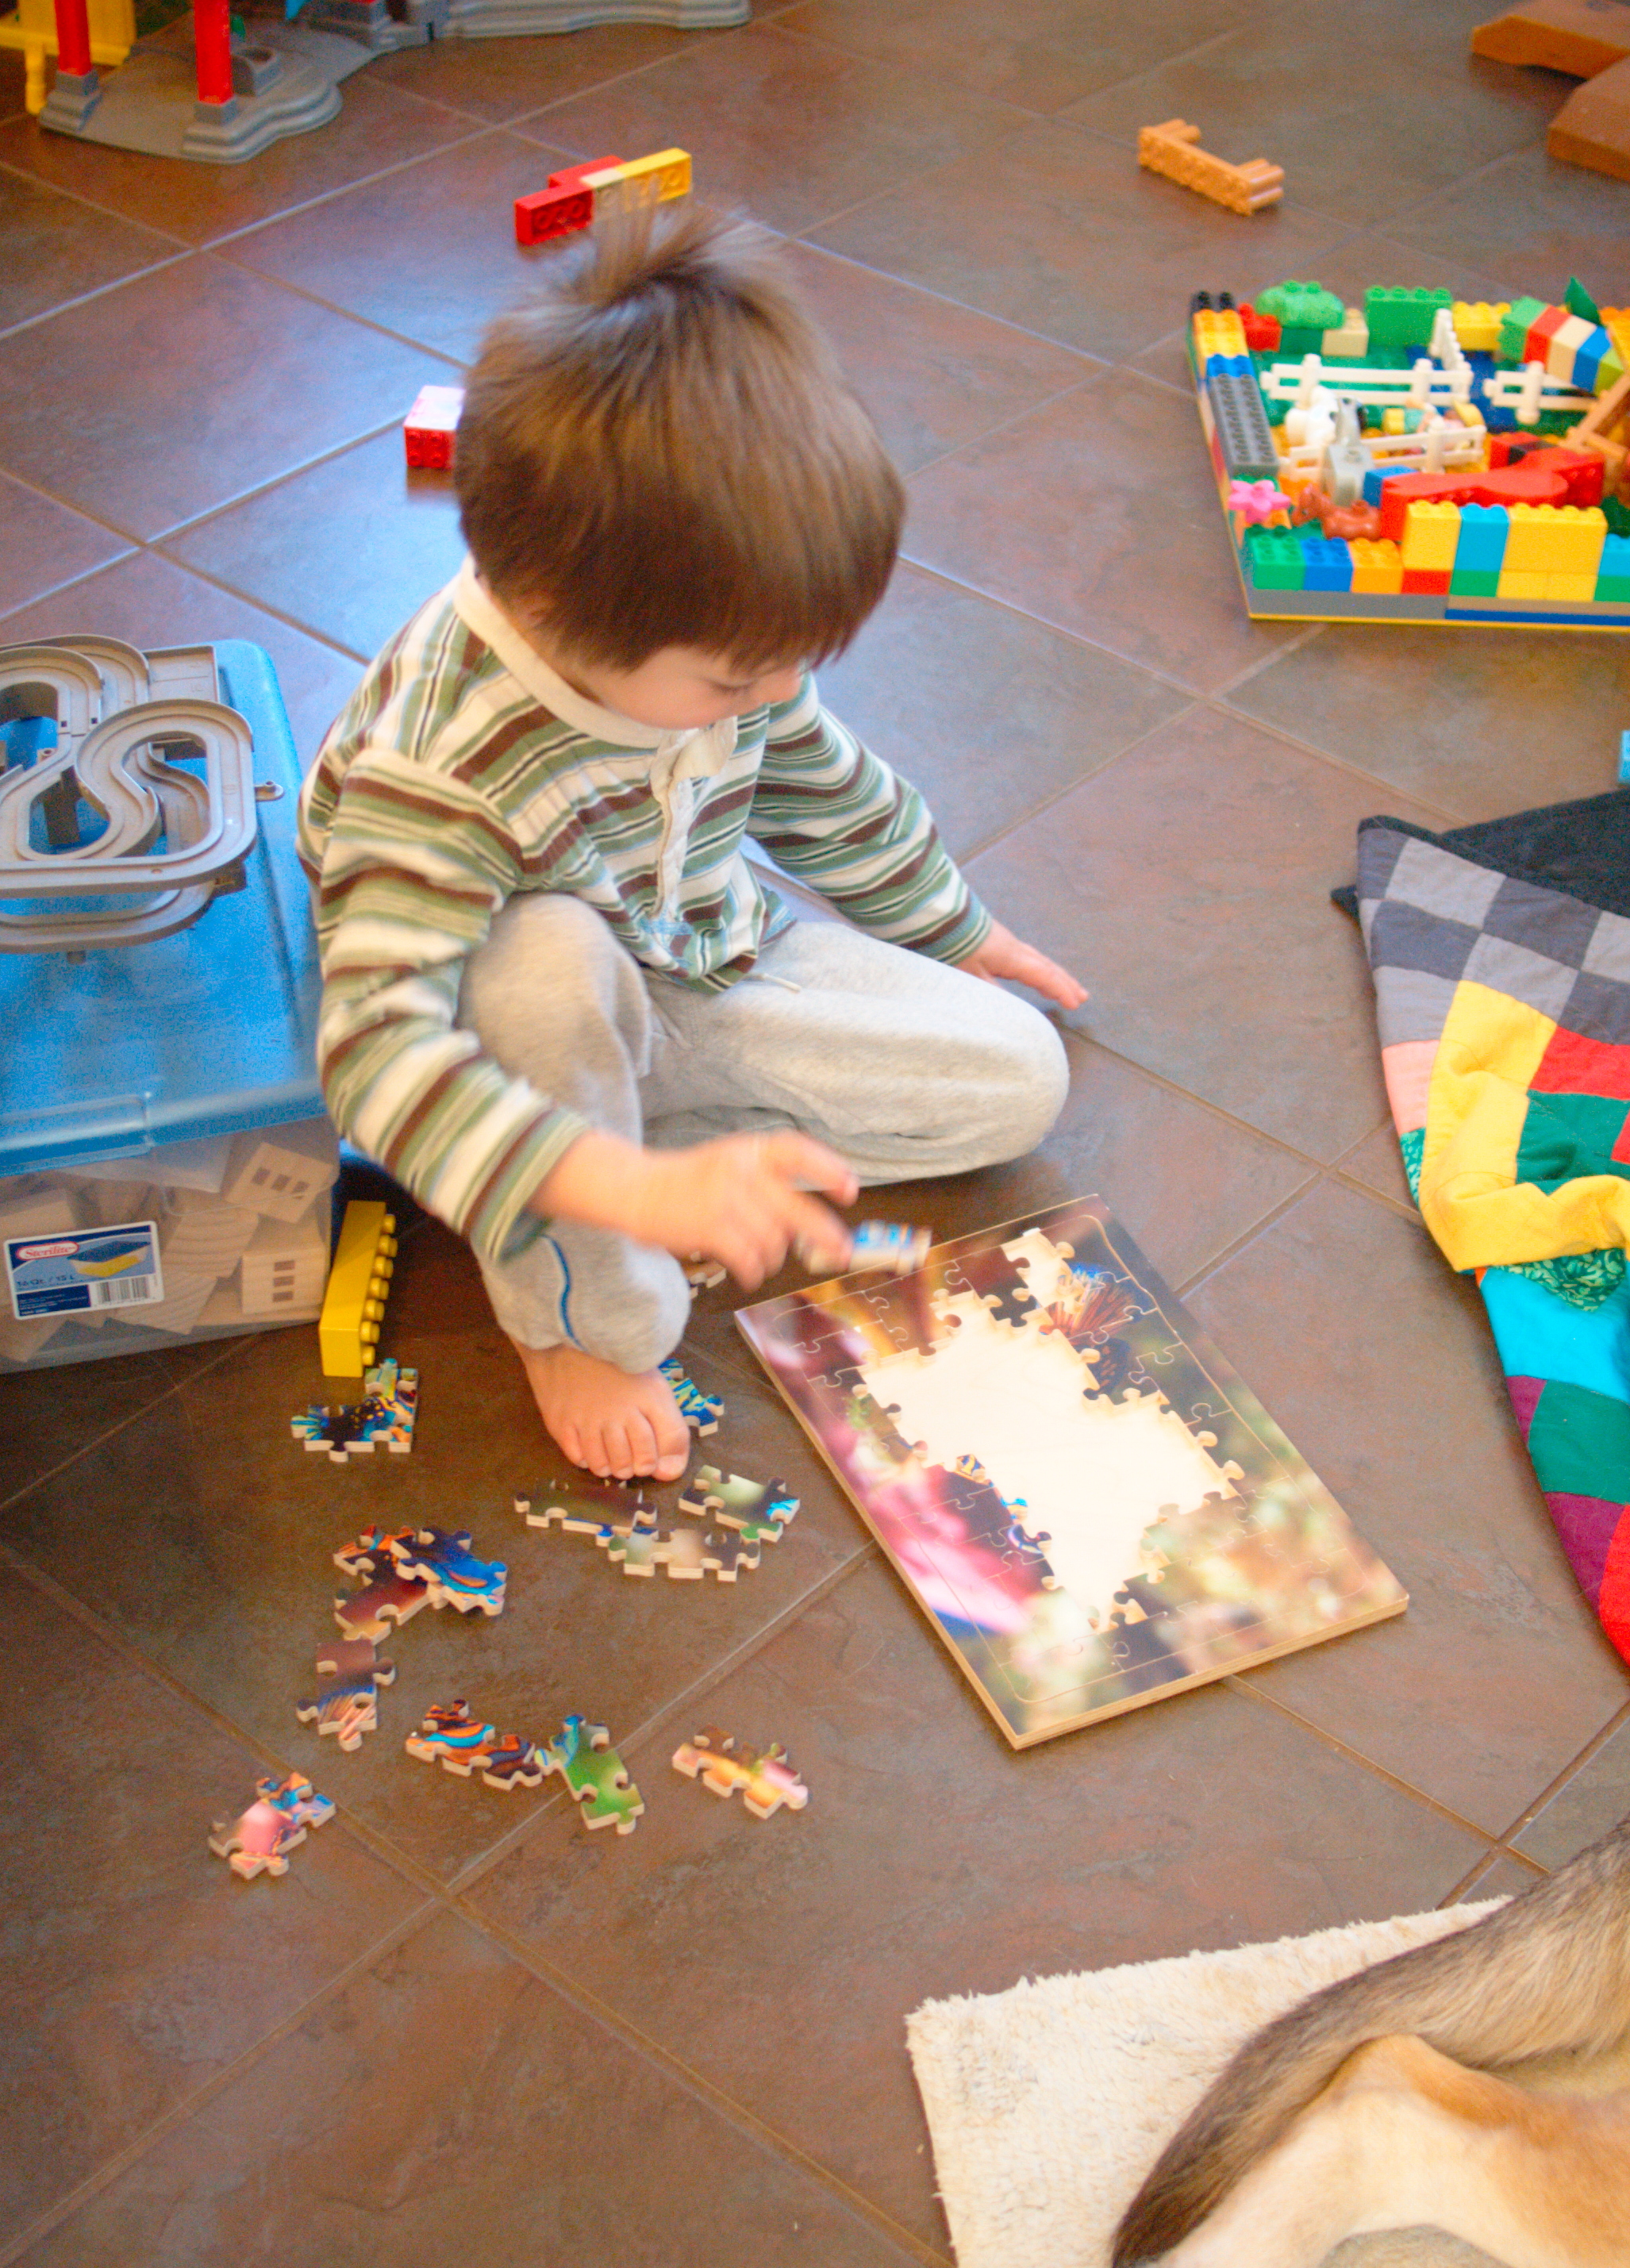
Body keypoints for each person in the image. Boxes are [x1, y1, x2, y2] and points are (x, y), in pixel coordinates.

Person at [298, 204, 1085, 1484]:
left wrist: (956, 927)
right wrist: (621, 1193)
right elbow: (372, 1054)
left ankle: (600, 1142)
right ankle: (575, 1318)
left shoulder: (724, 630)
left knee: (1018, 1078)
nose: (773, 693)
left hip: (694, 949)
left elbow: (822, 785)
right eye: (737, 678)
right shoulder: (439, 765)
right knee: (545, 974)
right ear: (555, 608)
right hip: (497, 997)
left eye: (793, 662)